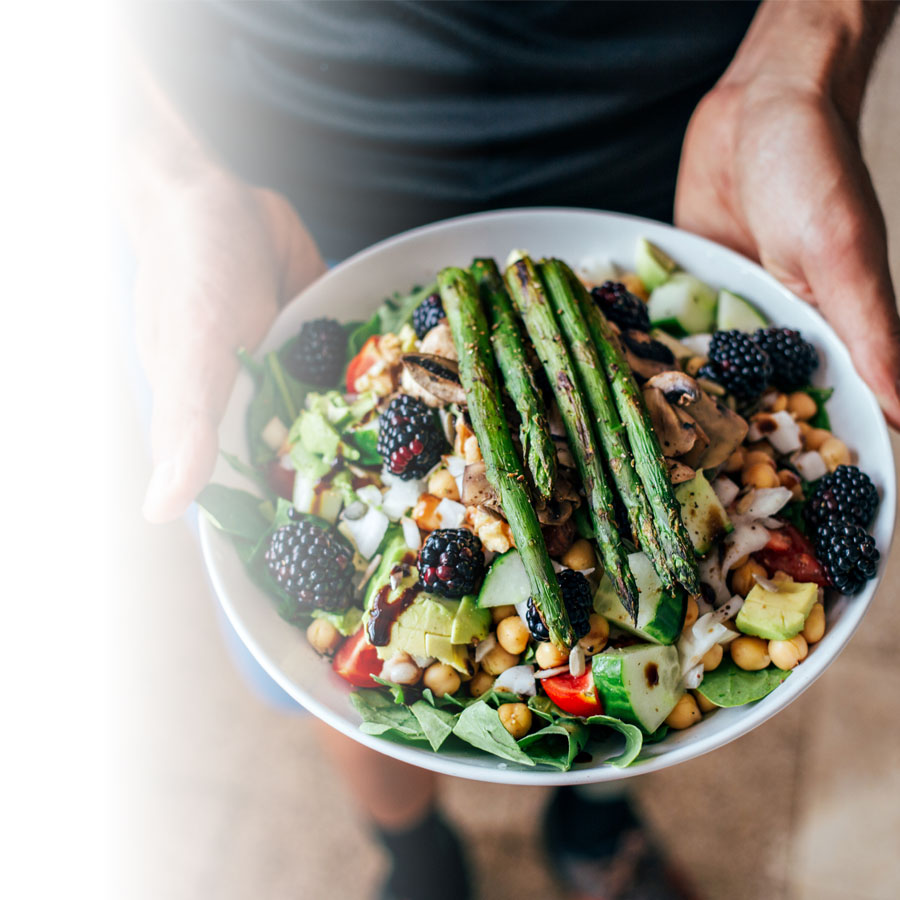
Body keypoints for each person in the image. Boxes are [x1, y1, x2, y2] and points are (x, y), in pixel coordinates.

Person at [120, 3, 899, 898]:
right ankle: (415, 853)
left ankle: (596, 819)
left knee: (641, 682)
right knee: (324, 688)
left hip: (675, 162)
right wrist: (166, 178)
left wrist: (806, 52)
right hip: (281, 191)